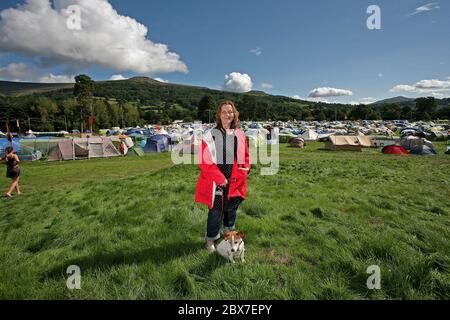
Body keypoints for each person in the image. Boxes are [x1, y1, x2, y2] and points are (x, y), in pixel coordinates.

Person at [195, 101, 250, 252]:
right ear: (219, 114)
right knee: (216, 211)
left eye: (230, 112)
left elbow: (245, 156)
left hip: (235, 180)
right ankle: (210, 240)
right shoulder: (210, 135)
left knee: (231, 209)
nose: (228, 115)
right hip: (216, 181)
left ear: (234, 114)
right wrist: (219, 178)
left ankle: (229, 236)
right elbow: (204, 161)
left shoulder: (239, 134)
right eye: (224, 112)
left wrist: (246, 168)